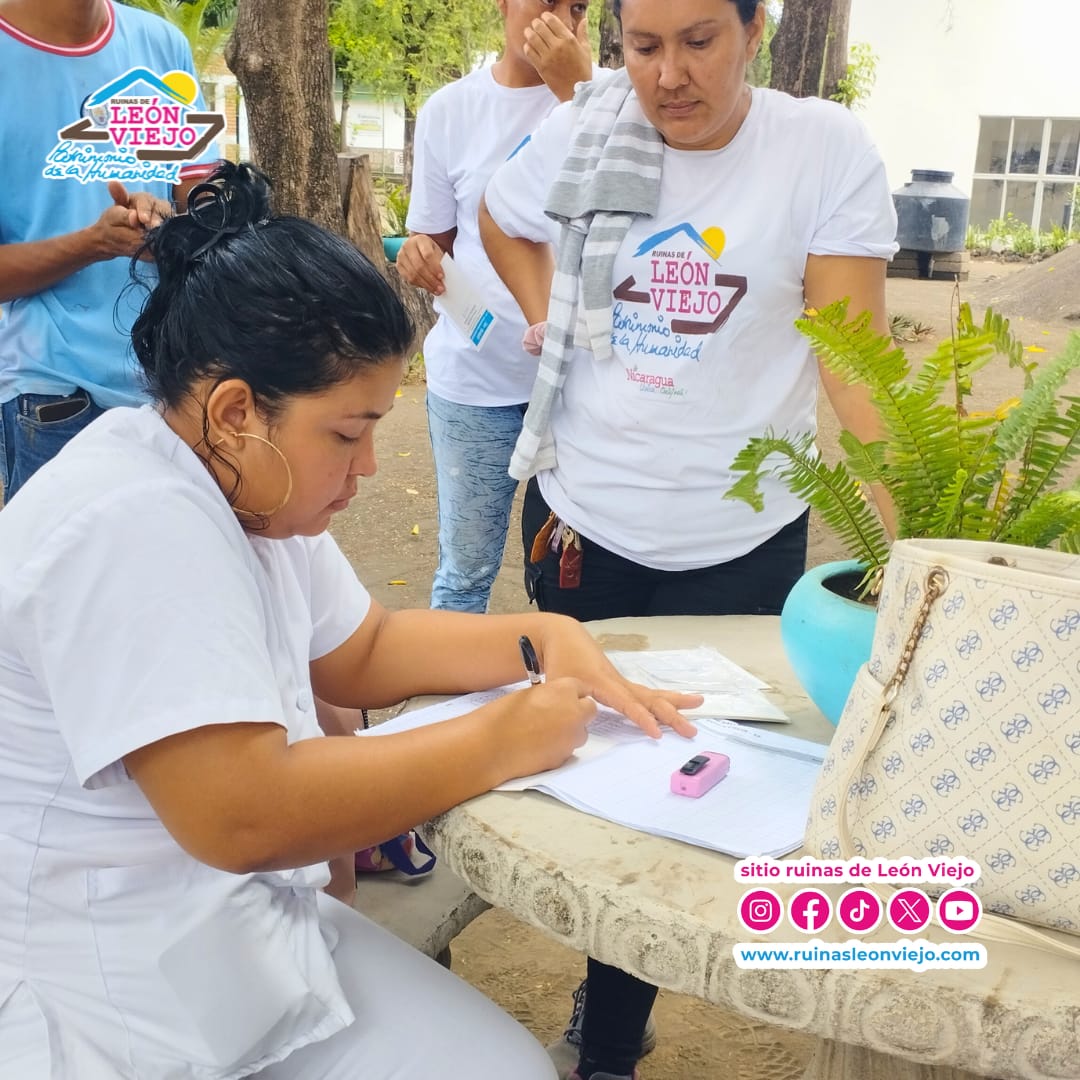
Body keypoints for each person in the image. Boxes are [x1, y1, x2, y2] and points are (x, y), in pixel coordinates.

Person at [0, 161, 703, 1080]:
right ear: (236, 410)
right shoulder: (132, 521)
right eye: (347, 433)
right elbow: (243, 815)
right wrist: (502, 737)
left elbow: (361, 649)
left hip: (228, 933)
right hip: (115, 991)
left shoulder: (240, 485)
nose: (368, 466)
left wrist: (540, 642)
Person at [478, 1, 899, 1077]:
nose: (669, 75)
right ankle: (611, 1018)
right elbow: (500, 213)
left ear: (755, 30)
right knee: (588, 774)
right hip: (586, 525)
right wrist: (547, 318)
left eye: (700, 41)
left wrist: (909, 547)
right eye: (644, 45)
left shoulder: (820, 151)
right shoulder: (589, 124)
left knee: (701, 781)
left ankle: (611, 1036)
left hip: (740, 539)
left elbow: (854, 364)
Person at [395, 0, 593, 612]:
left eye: (577, 7)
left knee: (582, 573)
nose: (557, 18)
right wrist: (418, 256)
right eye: (544, 2)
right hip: (477, 385)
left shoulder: (613, 103)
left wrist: (581, 92)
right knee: (467, 572)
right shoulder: (451, 111)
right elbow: (435, 242)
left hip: (584, 387)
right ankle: (456, 704)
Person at [0, 0, 218, 500]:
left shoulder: (162, 45)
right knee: (64, 578)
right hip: (55, 395)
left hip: (175, 387)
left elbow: (198, 194)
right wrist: (93, 244)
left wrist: (175, 223)